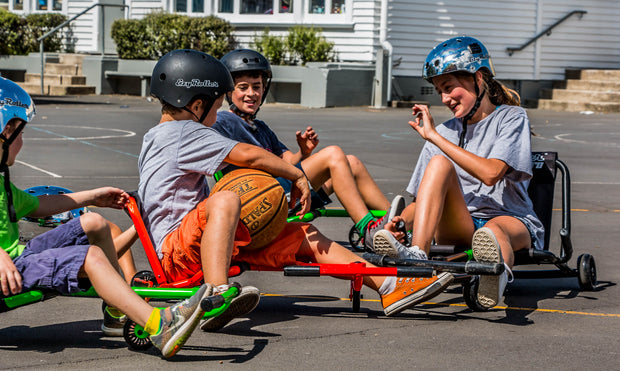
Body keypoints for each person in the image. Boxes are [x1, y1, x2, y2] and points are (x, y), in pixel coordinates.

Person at [139, 49, 454, 328]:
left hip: (196, 242)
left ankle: (388, 288)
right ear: (196, 105)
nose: (216, 116)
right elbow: (246, 154)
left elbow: (150, 204)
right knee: (224, 200)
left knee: (301, 233)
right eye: (217, 105)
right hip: (180, 251)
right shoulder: (184, 131)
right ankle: (217, 294)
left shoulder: (162, 136)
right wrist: (297, 175)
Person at [0, 77, 211, 358]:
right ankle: (160, 325)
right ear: (5, 129)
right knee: (91, 257)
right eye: (19, 131)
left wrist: (93, 197)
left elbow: (37, 204)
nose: (22, 141)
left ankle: (116, 309)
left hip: (18, 258)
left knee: (94, 223)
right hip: (8, 272)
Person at [371, 36, 544, 309]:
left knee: (493, 230)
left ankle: (495, 277)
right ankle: (417, 255)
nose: (445, 99)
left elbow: (491, 174)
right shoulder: (444, 132)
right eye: (439, 91)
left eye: (449, 88)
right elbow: (423, 200)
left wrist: (436, 139)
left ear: (477, 78)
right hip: (462, 223)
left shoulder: (511, 117)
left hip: (509, 219)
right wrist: (399, 224)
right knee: (439, 165)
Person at [213, 49, 400, 250]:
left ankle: (395, 227)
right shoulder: (223, 122)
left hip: (281, 191)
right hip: (258, 200)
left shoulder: (261, 128)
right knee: (333, 154)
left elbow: (286, 163)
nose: (252, 93)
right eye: (243, 87)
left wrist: (303, 153)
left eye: (257, 87)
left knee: (351, 162)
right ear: (229, 91)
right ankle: (368, 232)